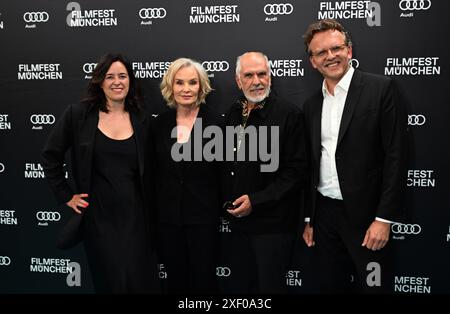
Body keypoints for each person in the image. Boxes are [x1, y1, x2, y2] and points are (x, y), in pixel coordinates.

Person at [301, 19, 408, 293]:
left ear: (349, 51)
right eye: (321, 53)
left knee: (374, 287)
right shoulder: (312, 105)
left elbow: (396, 156)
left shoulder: (381, 89)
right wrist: (310, 219)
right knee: (328, 286)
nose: (330, 56)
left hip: (367, 217)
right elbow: (312, 165)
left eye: (336, 48)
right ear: (313, 61)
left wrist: (383, 219)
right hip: (324, 217)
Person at [42, 53, 159, 293]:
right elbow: (50, 156)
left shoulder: (142, 119)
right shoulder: (78, 115)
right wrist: (66, 195)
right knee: (110, 282)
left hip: (136, 219)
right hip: (99, 219)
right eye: (110, 76)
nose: (117, 82)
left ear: (130, 81)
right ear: (100, 82)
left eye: (123, 76)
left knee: (138, 282)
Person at [221, 52, 308, 293]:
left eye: (262, 74)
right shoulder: (233, 113)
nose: (257, 81)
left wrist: (256, 201)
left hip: (273, 227)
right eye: (249, 75)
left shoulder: (289, 115)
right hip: (238, 225)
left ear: (270, 77)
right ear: (238, 80)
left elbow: (296, 172)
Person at [151, 58, 222, 294]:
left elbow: (224, 173)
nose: (186, 89)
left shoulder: (217, 124)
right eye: (179, 82)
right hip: (168, 221)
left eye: (192, 82)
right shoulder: (158, 125)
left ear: (201, 87)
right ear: (170, 87)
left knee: (204, 282)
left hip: (204, 219)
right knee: (175, 282)